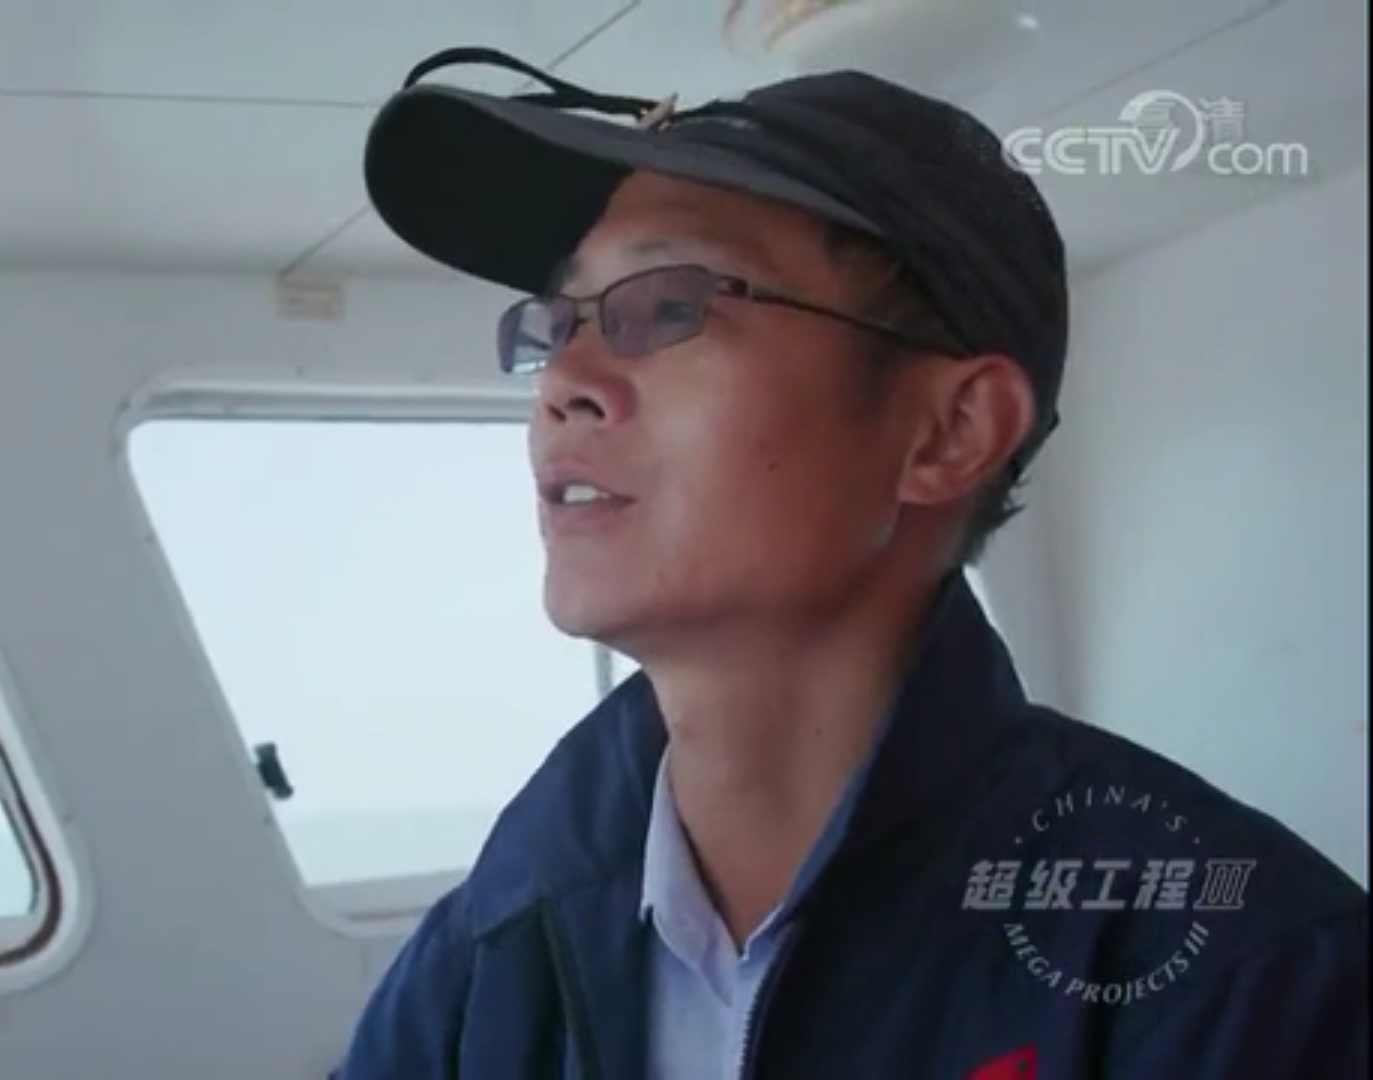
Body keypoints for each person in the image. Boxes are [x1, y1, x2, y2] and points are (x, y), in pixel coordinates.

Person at [335, 47, 1368, 1080]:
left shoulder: (1248, 978)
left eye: (670, 304)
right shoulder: (485, 950)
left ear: (948, 433)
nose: (563, 380)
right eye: (555, 323)